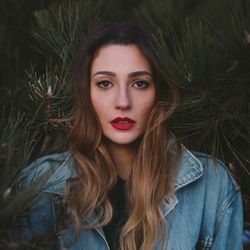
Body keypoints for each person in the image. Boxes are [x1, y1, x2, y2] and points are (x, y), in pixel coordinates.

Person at [13, 22, 243, 250]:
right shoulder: (39, 186)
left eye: (139, 83)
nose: (122, 102)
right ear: (86, 93)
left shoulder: (212, 187)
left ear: (159, 93)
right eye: (105, 83)